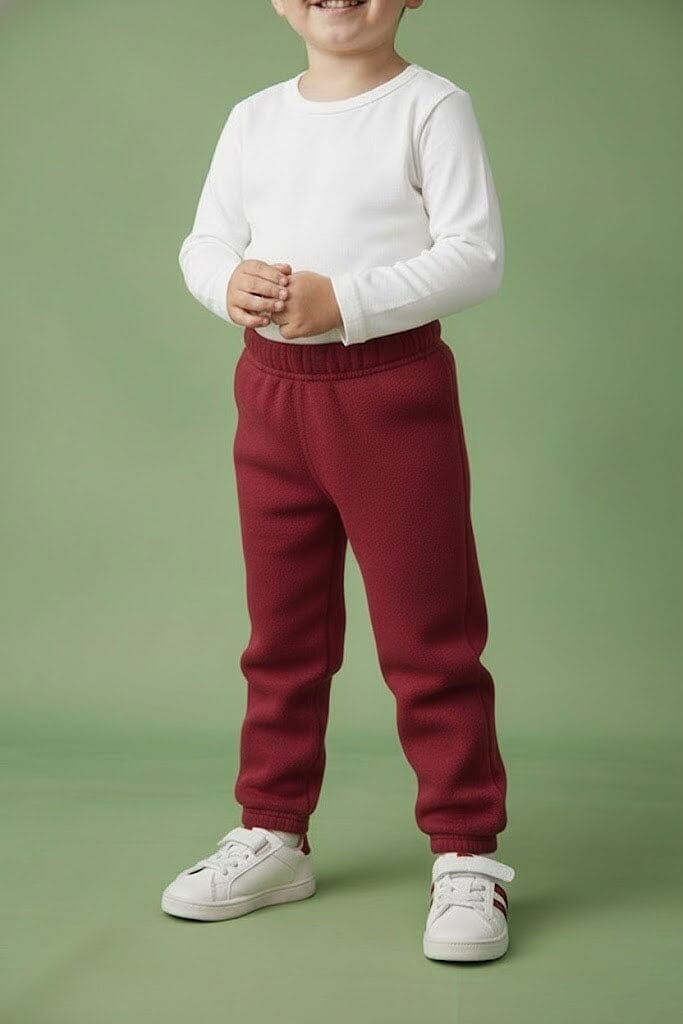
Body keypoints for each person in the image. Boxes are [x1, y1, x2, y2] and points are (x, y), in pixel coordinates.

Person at [161, 0, 516, 963]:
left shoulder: (430, 107)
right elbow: (204, 242)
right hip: (270, 397)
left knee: (428, 637)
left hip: (391, 395)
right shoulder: (253, 118)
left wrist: (345, 301)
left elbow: (474, 256)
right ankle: (273, 831)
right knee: (282, 634)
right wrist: (226, 284)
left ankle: (465, 852)